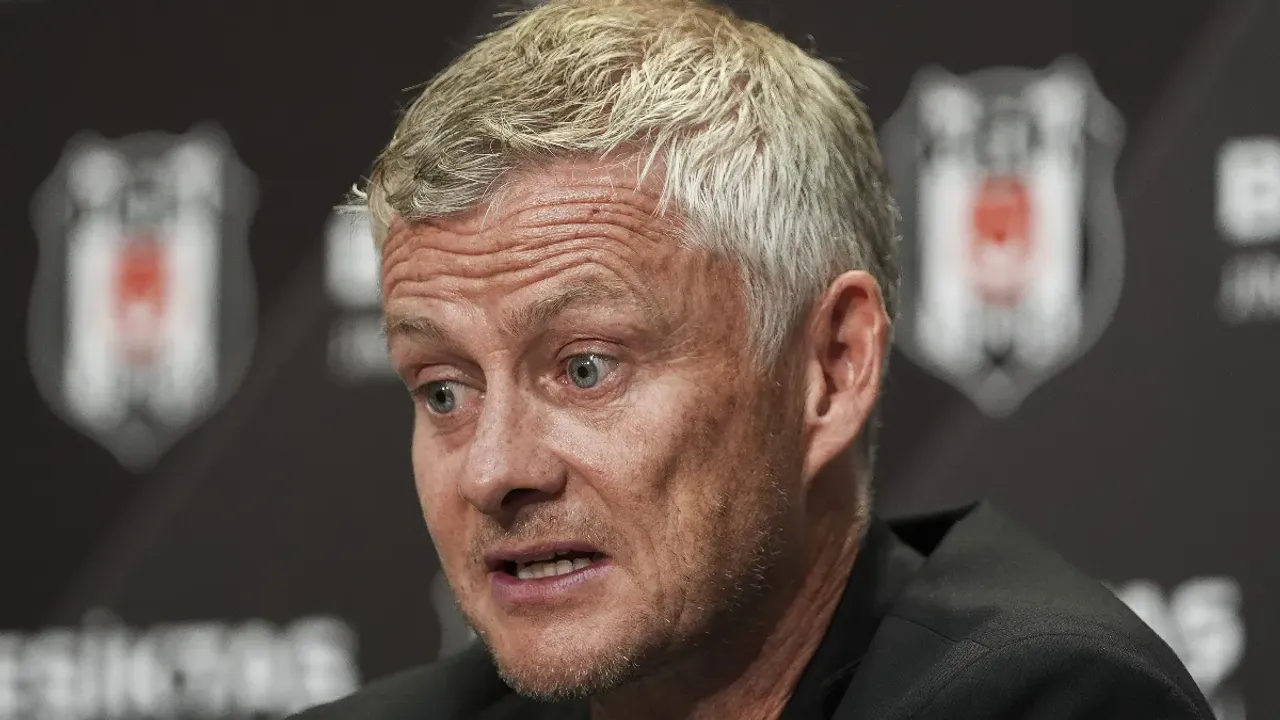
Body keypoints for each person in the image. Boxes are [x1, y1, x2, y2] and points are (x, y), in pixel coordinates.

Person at [293, 0, 1214, 717]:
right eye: (443, 391)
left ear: (831, 367)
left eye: (585, 369)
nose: (493, 471)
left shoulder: (1038, 700)